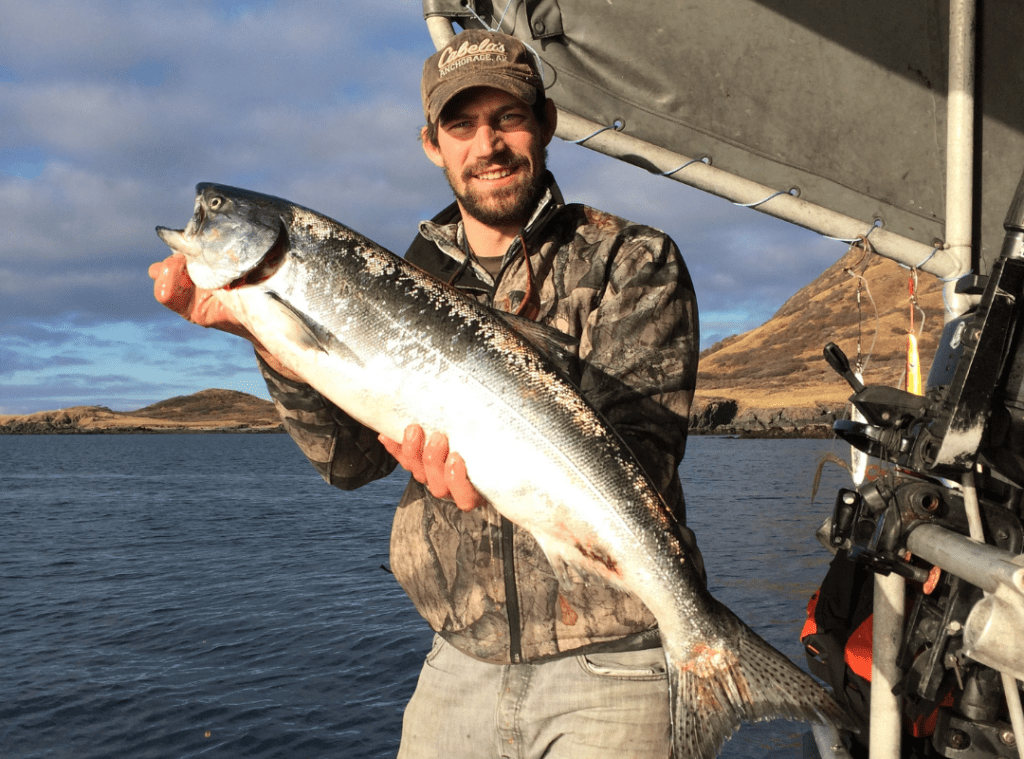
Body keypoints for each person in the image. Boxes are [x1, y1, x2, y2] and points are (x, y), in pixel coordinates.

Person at [150, 28, 701, 759]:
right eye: (462, 125)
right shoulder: (393, 278)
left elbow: (643, 456)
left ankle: (707, 653)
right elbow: (348, 462)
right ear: (432, 144)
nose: (488, 144)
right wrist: (268, 336)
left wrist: (505, 468)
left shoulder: (632, 258)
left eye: (508, 117)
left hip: (620, 655)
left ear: (546, 126)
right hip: (457, 665)